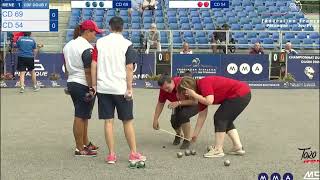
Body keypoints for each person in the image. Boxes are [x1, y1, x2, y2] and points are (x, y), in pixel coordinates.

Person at [91, 16, 146, 164]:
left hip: (103, 88)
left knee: (108, 122)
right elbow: (129, 67)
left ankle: (111, 155)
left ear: (110, 27)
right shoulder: (127, 44)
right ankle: (133, 153)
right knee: (127, 121)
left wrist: (94, 85)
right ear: (122, 28)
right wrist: (129, 88)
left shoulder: (99, 43)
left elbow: (94, 64)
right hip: (121, 88)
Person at [177, 76, 251, 158]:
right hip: (241, 94)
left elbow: (209, 101)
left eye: (186, 94)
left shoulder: (203, 83)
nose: (187, 96)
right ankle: (238, 147)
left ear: (188, 90)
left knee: (220, 117)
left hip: (240, 93)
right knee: (225, 119)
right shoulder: (200, 94)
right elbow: (202, 116)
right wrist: (195, 135)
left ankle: (218, 150)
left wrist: (194, 95)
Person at [63, 20, 101, 157]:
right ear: (87, 32)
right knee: (80, 115)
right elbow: (88, 71)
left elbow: (66, 67)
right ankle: (80, 147)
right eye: (94, 32)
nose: (95, 35)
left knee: (84, 115)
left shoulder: (68, 45)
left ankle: (85, 142)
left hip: (73, 81)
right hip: (83, 83)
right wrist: (92, 87)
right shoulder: (86, 47)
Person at [153, 74, 198, 149]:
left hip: (193, 103)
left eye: (167, 88)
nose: (166, 91)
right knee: (174, 121)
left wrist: (179, 103)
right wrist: (155, 119)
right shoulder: (163, 89)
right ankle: (179, 135)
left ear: (172, 81)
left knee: (183, 115)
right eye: (164, 89)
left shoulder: (182, 83)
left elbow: (195, 101)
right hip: (177, 104)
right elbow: (160, 104)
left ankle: (187, 140)